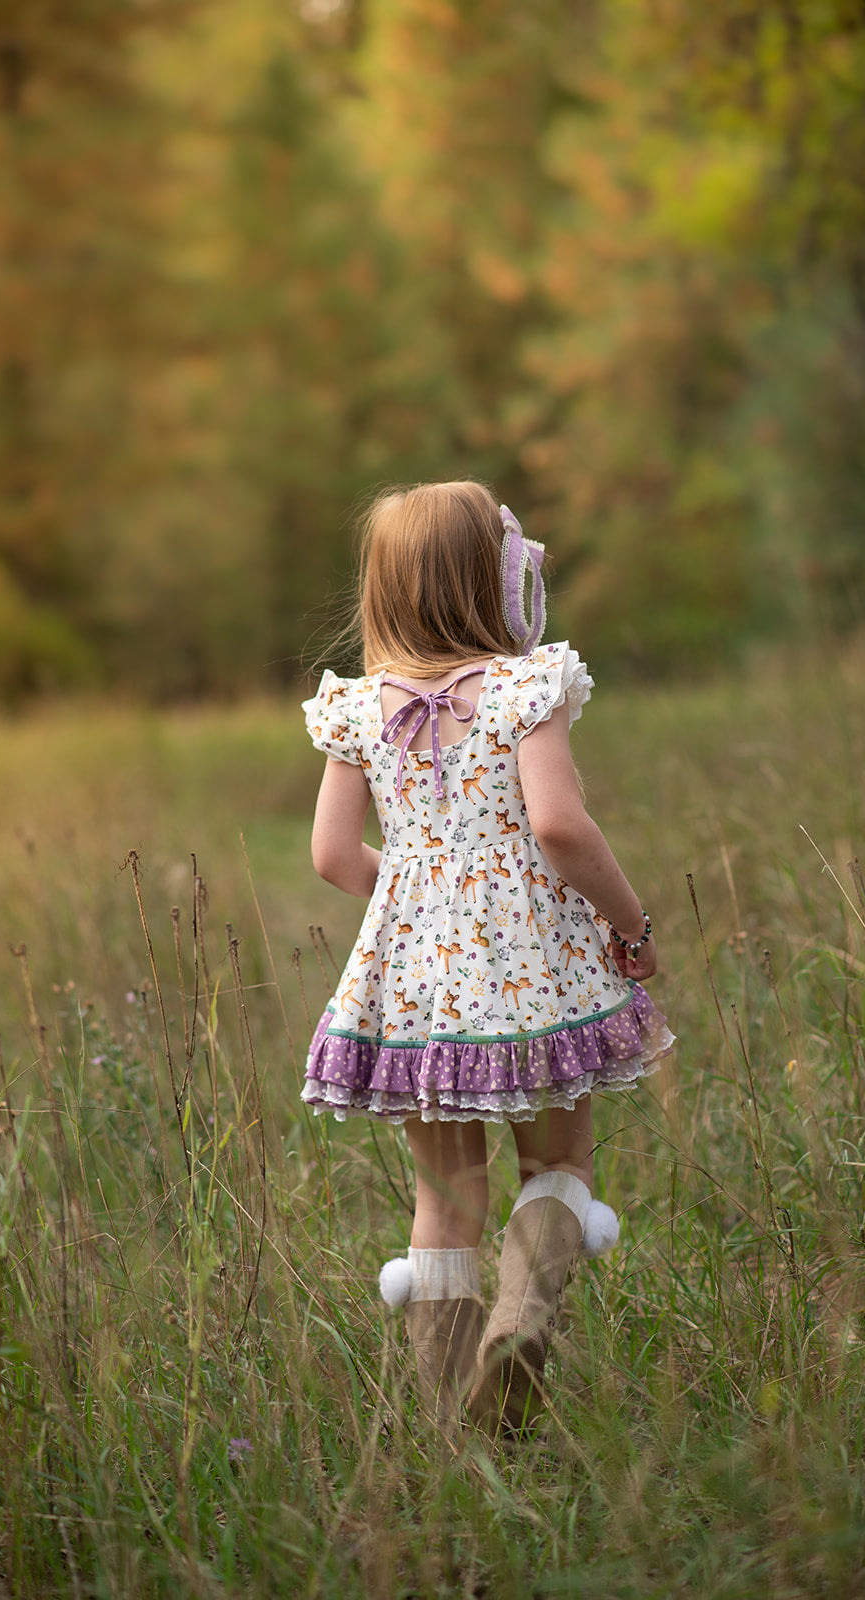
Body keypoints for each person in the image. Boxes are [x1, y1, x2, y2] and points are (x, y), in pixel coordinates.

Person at [301, 481, 674, 1435]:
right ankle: (522, 1321)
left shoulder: (356, 707)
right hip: (533, 969)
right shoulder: (523, 688)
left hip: (417, 983)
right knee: (558, 1164)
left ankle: (452, 1428)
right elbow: (558, 825)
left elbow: (333, 857)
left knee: (444, 1202)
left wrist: (420, 892)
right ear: (495, 583)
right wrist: (629, 923)